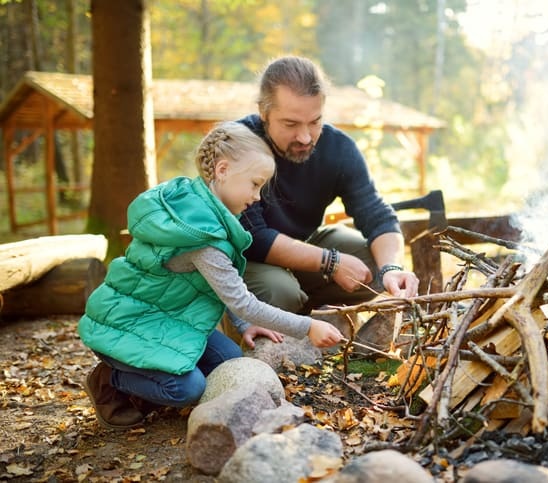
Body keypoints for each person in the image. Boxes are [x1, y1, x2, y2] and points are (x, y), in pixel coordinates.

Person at [77, 121, 344, 430]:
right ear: (222, 170)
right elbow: (242, 301)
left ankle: (146, 379)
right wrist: (307, 326)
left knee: (228, 360)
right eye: (255, 184)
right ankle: (110, 380)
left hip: (166, 316)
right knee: (187, 389)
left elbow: (221, 286)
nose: (257, 197)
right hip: (127, 323)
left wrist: (245, 325)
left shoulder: (198, 208)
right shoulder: (201, 237)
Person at [221, 55, 419, 340]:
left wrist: (392, 268)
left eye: (315, 122)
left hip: (307, 244)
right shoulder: (238, 144)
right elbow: (254, 238)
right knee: (280, 292)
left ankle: (321, 320)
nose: (305, 137)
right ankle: (254, 343)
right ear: (264, 113)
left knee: (376, 266)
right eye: (290, 124)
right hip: (246, 259)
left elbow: (377, 215)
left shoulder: (338, 148)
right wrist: (331, 262)